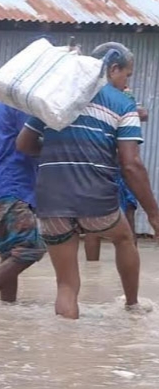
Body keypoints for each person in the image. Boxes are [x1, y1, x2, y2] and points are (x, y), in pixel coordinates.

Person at [16, 42, 159, 319]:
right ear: (113, 69)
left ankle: (66, 354)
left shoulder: (55, 95)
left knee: (67, 286)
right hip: (96, 198)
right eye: (126, 75)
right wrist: (153, 213)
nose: (126, 81)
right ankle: (132, 304)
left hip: (52, 199)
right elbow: (131, 165)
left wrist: (55, 153)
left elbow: (23, 144)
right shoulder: (123, 103)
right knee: (124, 238)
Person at [0, 101, 45, 305]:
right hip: (12, 187)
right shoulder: (20, 107)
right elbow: (28, 143)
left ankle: (6, 310)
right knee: (31, 249)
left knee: (11, 255)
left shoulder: (0, 105)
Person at [85, 91, 149, 261]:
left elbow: (144, 114)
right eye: (126, 75)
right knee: (93, 222)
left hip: (118, 169)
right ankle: (92, 269)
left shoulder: (121, 101)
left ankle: (128, 262)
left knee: (128, 214)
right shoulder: (110, 102)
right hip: (106, 169)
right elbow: (142, 113)